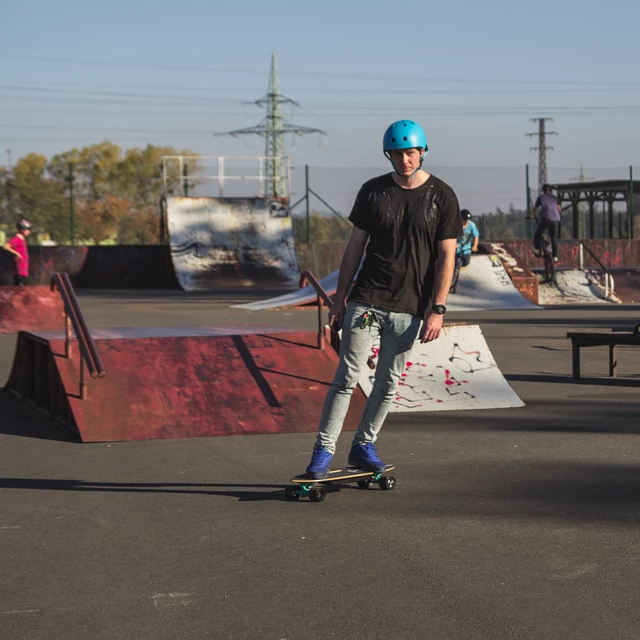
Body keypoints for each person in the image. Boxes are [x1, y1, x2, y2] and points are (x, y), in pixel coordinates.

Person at [305, 119, 462, 479]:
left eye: (410, 153)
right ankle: (322, 453)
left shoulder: (442, 196)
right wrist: (339, 298)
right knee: (347, 376)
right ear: (388, 155)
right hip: (367, 300)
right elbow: (355, 247)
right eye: (396, 154)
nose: (404, 160)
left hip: (410, 307)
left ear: (422, 153)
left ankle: (363, 444)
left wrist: (437, 309)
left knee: (388, 382)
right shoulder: (374, 192)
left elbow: (446, 258)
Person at [529, 183, 561, 262]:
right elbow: (559, 209)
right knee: (553, 237)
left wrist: (531, 215)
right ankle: (555, 256)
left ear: (543, 190)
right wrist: (557, 215)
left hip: (545, 218)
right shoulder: (555, 198)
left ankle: (537, 249)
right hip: (555, 219)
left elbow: (535, 208)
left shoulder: (541, 197)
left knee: (538, 233)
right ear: (551, 190)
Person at [3, 219, 32, 286]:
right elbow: (6, 246)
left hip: (24, 271)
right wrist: (17, 253)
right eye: (27, 229)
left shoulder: (22, 239)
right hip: (19, 271)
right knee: (19, 290)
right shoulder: (17, 239)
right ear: (22, 229)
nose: (29, 231)